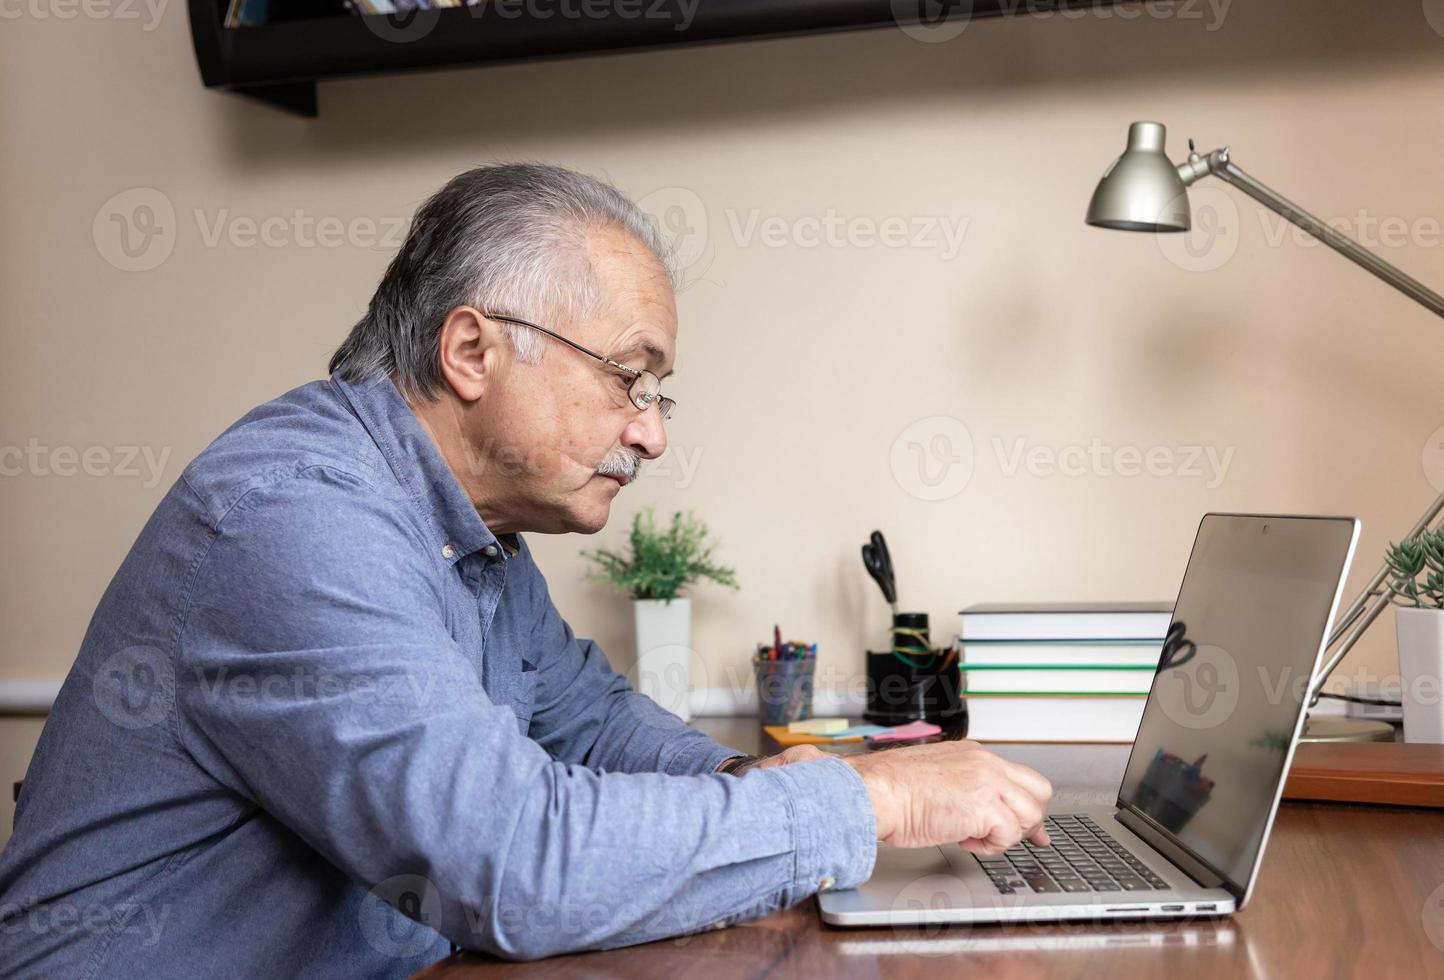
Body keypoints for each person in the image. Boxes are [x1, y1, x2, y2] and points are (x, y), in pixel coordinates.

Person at [0, 164, 1051, 977]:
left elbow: (588, 719)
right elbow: (510, 862)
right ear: (471, 351)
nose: (650, 434)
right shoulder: (296, 519)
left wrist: (747, 783)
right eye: (630, 379)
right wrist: (864, 802)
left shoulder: (469, 528)